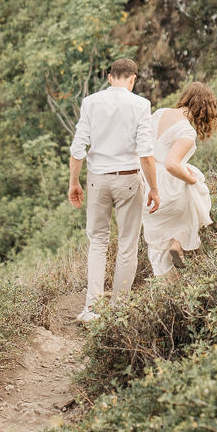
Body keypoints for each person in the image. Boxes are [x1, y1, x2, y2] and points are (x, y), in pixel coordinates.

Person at [68, 57, 159, 322]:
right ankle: (119, 311)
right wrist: (154, 187)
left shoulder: (91, 102)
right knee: (127, 245)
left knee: (97, 241)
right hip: (130, 179)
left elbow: (77, 148)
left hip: (98, 179)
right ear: (132, 79)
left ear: (110, 78)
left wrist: (74, 182)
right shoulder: (141, 105)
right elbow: (146, 154)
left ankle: (92, 310)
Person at [142, 81, 217, 278]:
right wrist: (191, 180)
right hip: (165, 186)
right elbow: (172, 164)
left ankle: (163, 285)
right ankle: (179, 243)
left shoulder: (160, 113)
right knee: (197, 195)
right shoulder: (186, 132)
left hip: (145, 180)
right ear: (205, 108)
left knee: (158, 239)